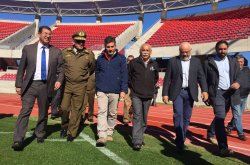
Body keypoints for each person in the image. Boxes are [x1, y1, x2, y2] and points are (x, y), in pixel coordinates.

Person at [12, 26, 64, 151]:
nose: (48, 36)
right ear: (39, 34)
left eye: (50, 34)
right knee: (25, 111)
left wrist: (59, 80)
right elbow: (21, 68)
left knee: (43, 112)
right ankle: (18, 139)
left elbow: (61, 69)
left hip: (46, 86)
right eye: (45, 33)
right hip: (30, 85)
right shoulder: (28, 49)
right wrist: (18, 84)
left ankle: (40, 133)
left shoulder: (56, 51)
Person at [162, 42, 208, 153]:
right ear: (179, 51)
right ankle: (180, 141)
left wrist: (205, 90)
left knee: (187, 117)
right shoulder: (173, 61)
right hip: (177, 92)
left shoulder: (196, 62)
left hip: (190, 92)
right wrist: (165, 93)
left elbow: (201, 77)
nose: (184, 53)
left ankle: (181, 136)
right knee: (178, 114)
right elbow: (167, 79)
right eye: (182, 51)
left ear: (190, 50)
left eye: (186, 51)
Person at [204, 40, 242, 156]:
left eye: (225, 49)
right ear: (216, 49)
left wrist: (238, 83)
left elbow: (239, 75)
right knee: (220, 118)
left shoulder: (233, 61)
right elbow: (204, 79)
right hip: (217, 93)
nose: (222, 51)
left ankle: (210, 132)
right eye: (220, 49)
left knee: (222, 116)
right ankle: (223, 148)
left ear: (227, 49)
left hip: (231, 92)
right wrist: (205, 92)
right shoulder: (209, 62)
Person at [60, 30, 95, 142]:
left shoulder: (89, 54)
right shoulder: (65, 52)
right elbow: (61, 66)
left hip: (81, 85)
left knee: (76, 110)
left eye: (82, 41)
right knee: (64, 108)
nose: (80, 43)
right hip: (67, 85)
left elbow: (92, 68)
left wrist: (83, 78)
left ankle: (72, 132)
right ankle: (64, 126)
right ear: (73, 41)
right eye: (78, 41)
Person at [95, 36, 128, 147]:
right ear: (105, 47)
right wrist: (97, 87)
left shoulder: (121, 59)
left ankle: (109, 131)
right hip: (101, 90)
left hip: (115, 90)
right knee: (102, 112)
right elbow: (97, 73)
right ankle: (102, 135)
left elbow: (124, 75)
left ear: (115, 46)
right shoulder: (100, 59)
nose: (110, 49)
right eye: (108, 47)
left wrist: (123, 90)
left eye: (112, 46)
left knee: (112, 113)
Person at [129, 43, 159, 151]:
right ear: (140, 51)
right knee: (137, 116)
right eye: (143, 50)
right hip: (136, 94)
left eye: (147, 50)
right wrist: (133, 88)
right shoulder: (133, 62)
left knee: (144, 118)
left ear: (150, 52)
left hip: (148, 95)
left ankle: (140, 136)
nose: (145, 51)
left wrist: (151, 88)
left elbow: (156, 78)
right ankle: (137, 141)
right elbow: (129, 76)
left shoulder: (154, 63)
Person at [226, 55, 249, 141]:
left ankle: (230, 126)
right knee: (237, 115)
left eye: (241, 61)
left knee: (238, 115)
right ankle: (241, 133)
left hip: (245, 96)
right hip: (235, 96)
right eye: (238, 61)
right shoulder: (231, 71)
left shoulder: (247, 70)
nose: (240, 63)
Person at [123, 55, 134, 124]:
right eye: (128, 60)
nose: (129, 62)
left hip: (135, 88)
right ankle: (126, 118)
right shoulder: (124, 68)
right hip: (127, 87)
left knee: (134, 104)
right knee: (127, 103)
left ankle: (131, 116)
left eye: (131, 60)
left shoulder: (137, 68)